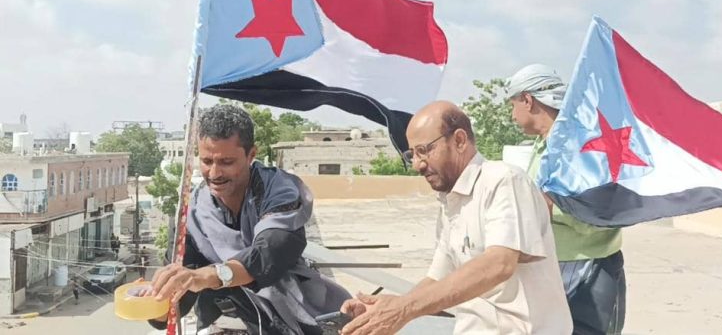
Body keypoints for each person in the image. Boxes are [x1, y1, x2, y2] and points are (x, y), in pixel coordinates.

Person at [340, 101, 571, 335]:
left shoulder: (504, 180)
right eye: (412, 154)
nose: (417, 164)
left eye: (424, 150)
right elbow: (437, 279)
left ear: (459, 140)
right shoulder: (450, 203)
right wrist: (383, 311)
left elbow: (499, 263)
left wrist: (403, 309)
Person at [143, 104, 351, 335]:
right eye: (207, 161)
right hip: (223, 323)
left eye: (226, 162)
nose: (214, 173)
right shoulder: (191, 213)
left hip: (298, 319)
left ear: (251, 155)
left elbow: (268, 254)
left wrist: (210, 275)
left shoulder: (279, 190)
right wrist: (156, 298)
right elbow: (181, 292)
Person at [506, 63, 626, 335]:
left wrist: (550, 207)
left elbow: (604, 212)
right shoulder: (544, 145)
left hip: (589, 272)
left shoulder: (580, 144)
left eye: (513, 105)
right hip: (554, 269)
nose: (512, 115)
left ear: (527, 100)